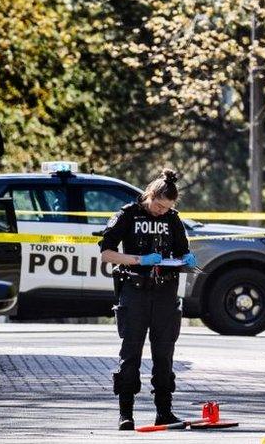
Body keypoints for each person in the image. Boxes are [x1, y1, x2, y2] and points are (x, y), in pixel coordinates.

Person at [99, 169, 197, 430]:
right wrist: (139, 260)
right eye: (159, 205)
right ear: (150, 195)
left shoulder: (173, 219)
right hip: (135, 290)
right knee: (130, 353)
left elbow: (182, 251)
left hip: (165, 292)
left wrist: (187, 261)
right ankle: (126, 414)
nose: (162, 211)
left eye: (167, 208)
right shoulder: (128, 214)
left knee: (164, 354)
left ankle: (164, 412)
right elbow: (107, 254)